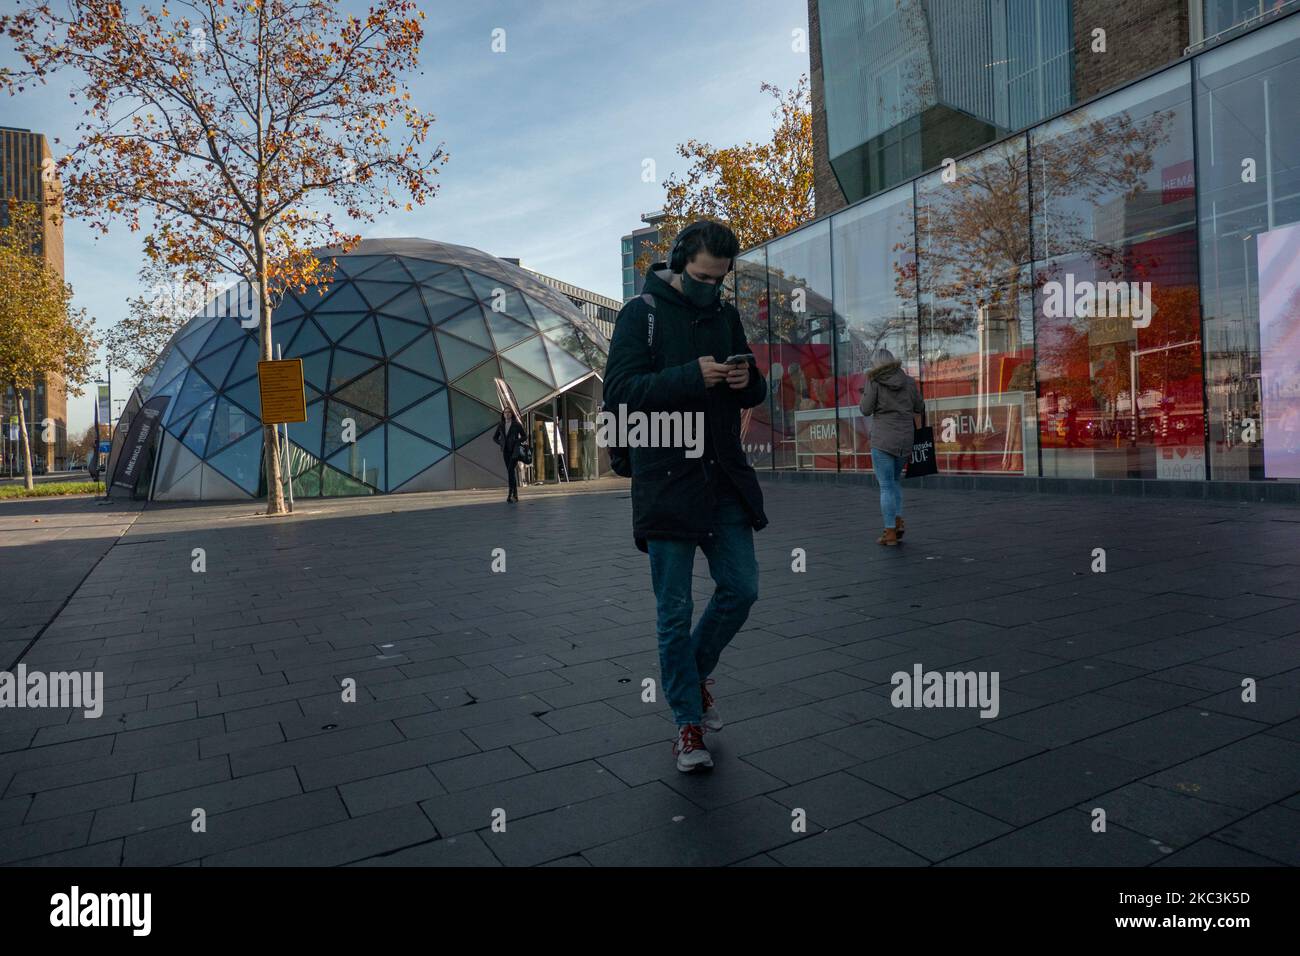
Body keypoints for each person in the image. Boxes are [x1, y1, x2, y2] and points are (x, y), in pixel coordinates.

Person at [602, 220, 769, 773]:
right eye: (701, 277)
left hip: (722, 476)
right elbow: (621, 394)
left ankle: (693, 680)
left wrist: (750, 381)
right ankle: (687, 724)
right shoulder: (639, 315)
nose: (710, 288)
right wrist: (689, 377)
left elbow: (754, 378)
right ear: (678, 263)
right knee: (673, 610)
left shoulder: (724, 314)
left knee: (741, 589)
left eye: (720, 280)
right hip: (667, 480)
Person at [859, 348, 923, 546]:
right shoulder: (908, 381)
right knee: (895, 481)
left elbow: (865, 409)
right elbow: (919, 407)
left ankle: (890, 532)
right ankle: (898, 521)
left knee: (885, 485)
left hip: (883, 440)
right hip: (905, 439)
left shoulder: (875, 381)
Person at [492, 410, 526, 503]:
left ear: (511, 414)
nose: (507, 413)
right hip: (505, 451)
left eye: (509, 412)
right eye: (505, 412)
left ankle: (510, 494)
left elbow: (524, 436)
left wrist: (517, 441)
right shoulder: (501, 425)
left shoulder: (516, 424)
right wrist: (501, 443)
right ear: (503, 414)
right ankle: (515, 495)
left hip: (514, 451)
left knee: (510, 470)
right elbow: (495, 437)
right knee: (510, 472)